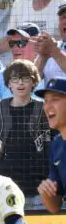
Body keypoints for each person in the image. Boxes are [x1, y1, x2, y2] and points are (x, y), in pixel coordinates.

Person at [0, 60, 50, 207]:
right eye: (15, 79)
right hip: (3, 191)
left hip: (39, 191)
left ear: (34, 83)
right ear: (8, 83)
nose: (20, 83)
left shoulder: (45, 110)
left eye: (25, 78)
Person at [37, 76, 66, 213]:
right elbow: (55, 207)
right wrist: (46, 193)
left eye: (55, 99)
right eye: (45, 101)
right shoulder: (57, 144)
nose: (47, 106)